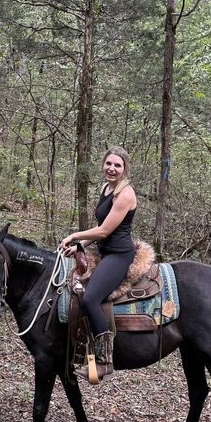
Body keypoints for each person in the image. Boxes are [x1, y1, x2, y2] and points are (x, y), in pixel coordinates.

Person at [59, 147, 137, 382]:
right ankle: (80, 353)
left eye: (117, 165)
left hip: (119, 255)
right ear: (103, 164)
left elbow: (104, 230)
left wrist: (74, 235)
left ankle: (104, 361)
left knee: (92, 298)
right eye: (109, 164)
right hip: (103, 251)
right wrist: (80, 245)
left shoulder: (126, 194)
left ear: (124, 169)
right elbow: (100, 231)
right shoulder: (106, 188)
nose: (112, 168)